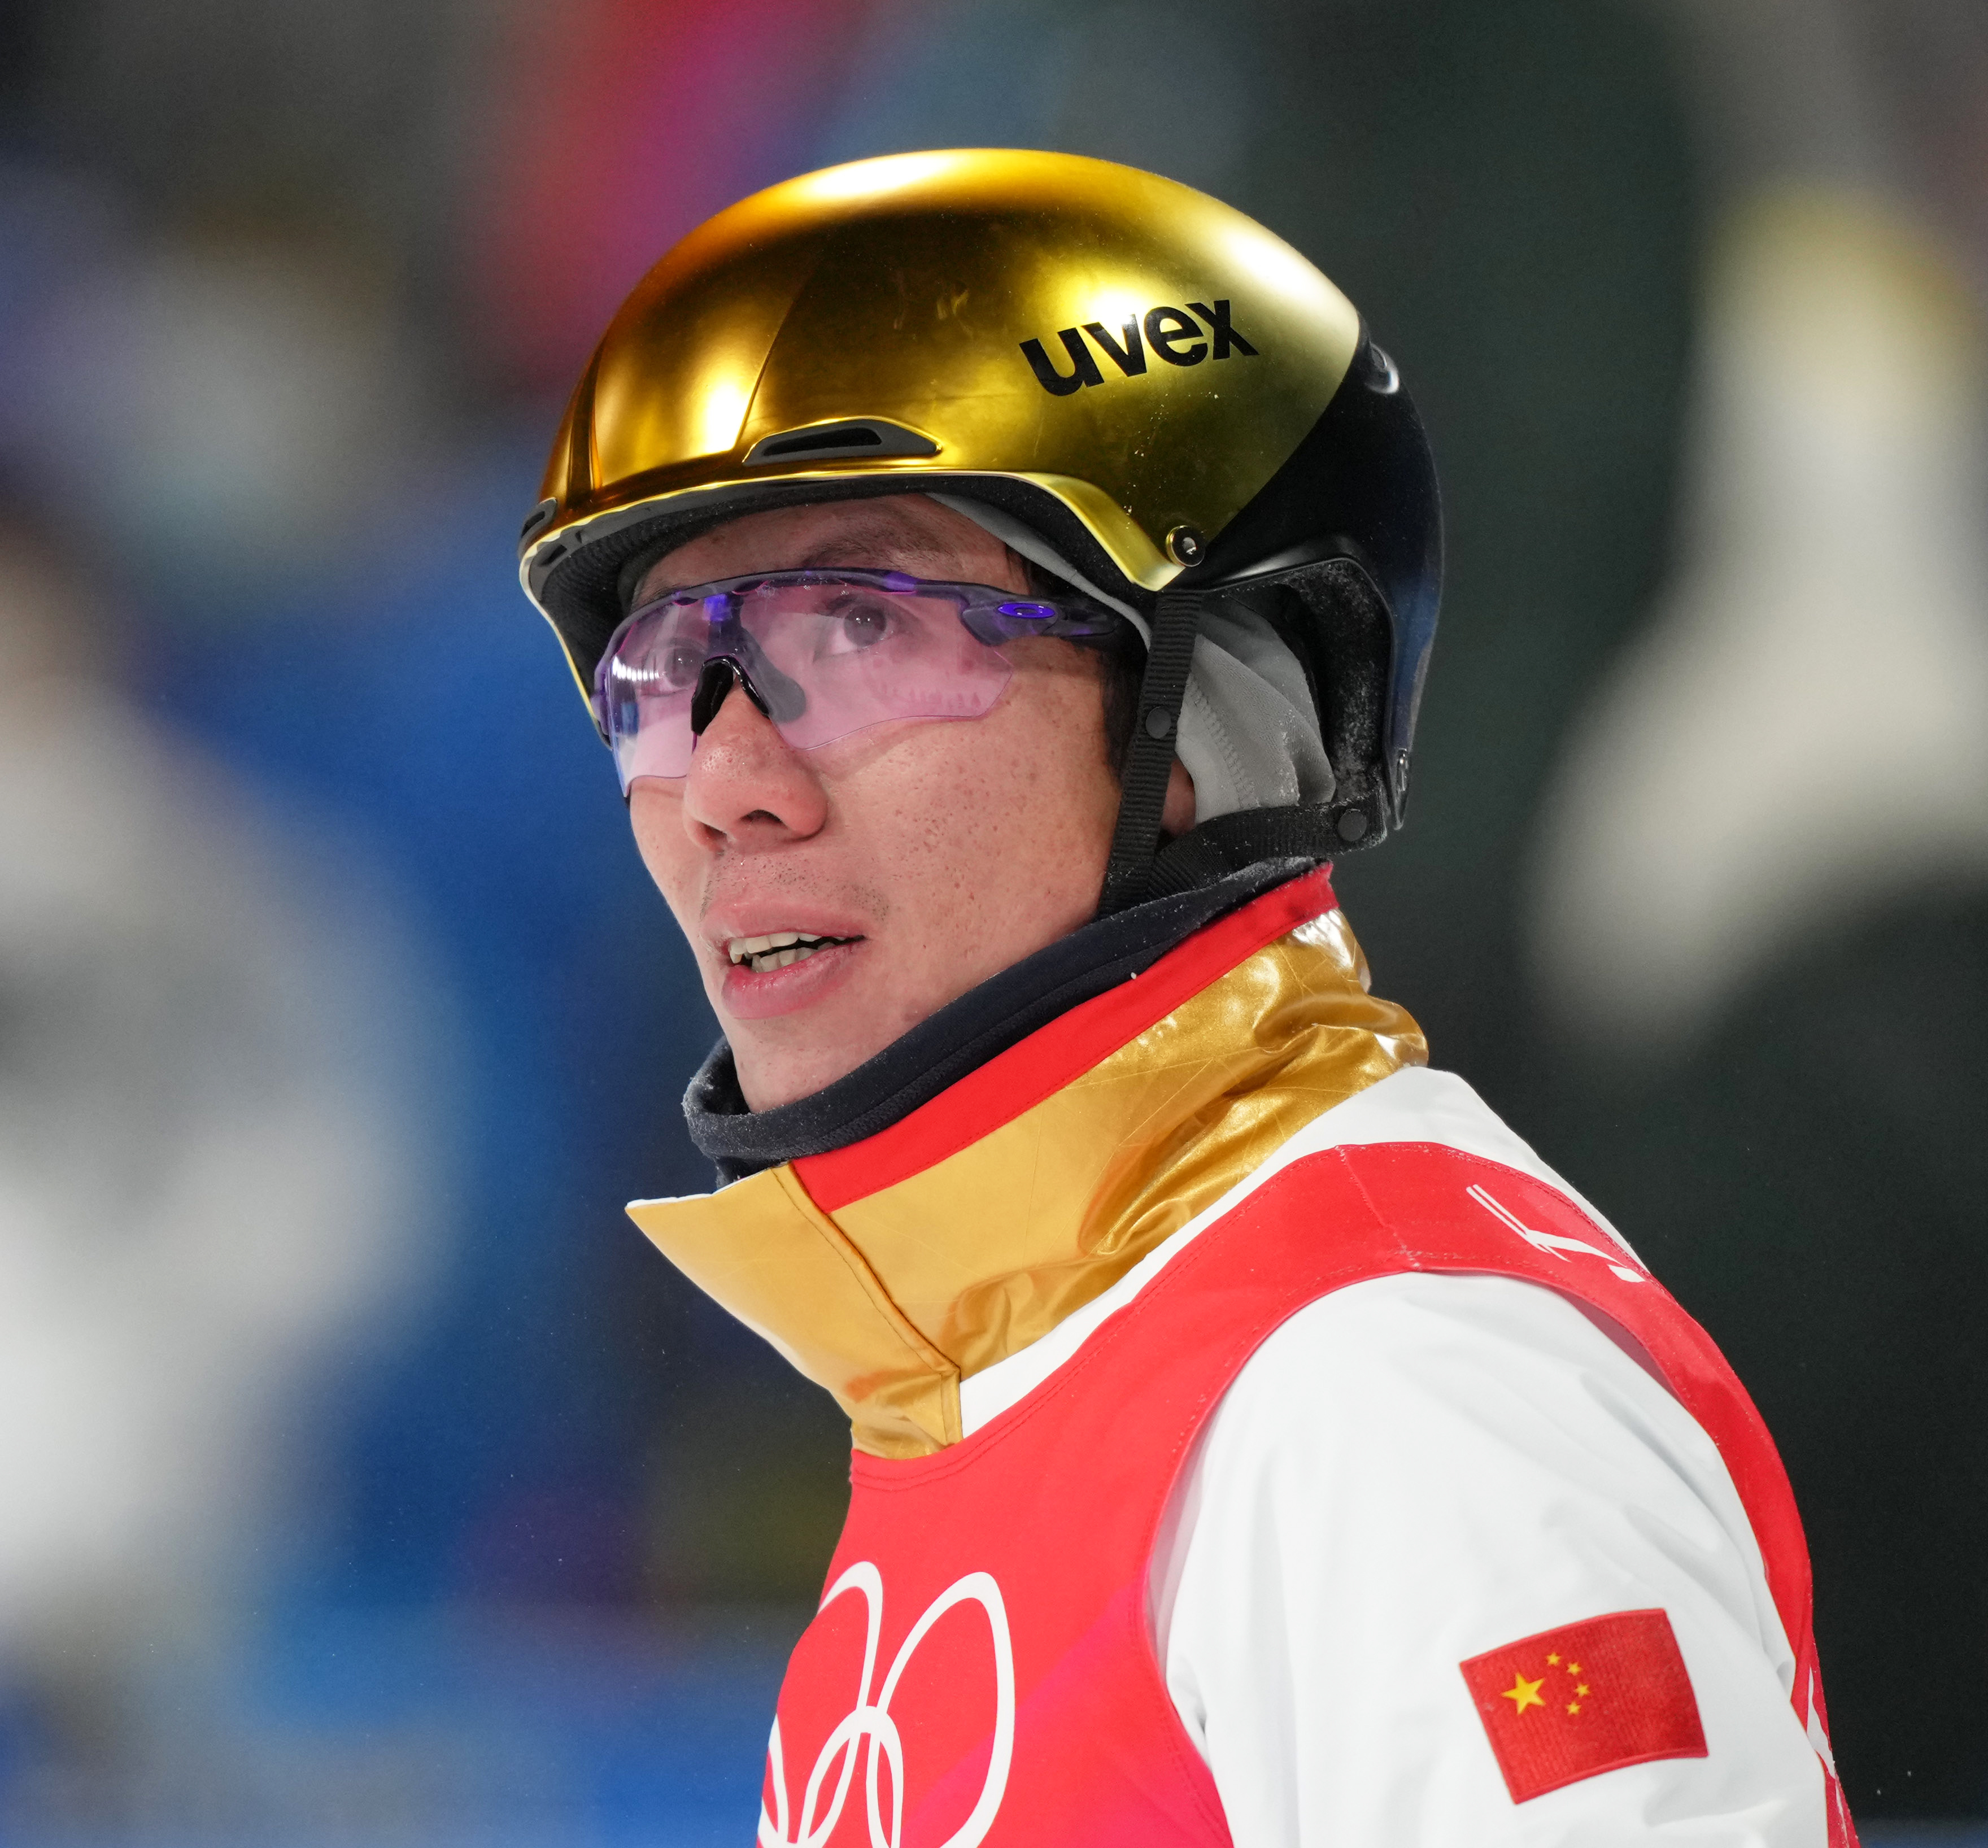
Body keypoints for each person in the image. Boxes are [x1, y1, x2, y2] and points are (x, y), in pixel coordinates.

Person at [516, 150, 1856, 1846]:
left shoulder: (1390, 1392)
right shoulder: (1013, 1378)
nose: (724, 787)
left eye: (857, 627)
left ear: (1201, 724)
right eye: (660, 671)